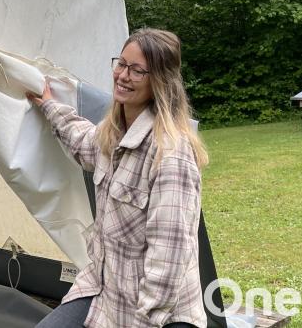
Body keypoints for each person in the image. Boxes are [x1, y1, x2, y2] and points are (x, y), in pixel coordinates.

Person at [27, 28, 208, 328]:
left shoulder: (171, 154)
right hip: (107, 292)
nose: (123, 76)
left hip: (158, 315)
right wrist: (48, 104)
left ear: (159, 81)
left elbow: (168, 263)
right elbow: (82, 141)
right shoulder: (113, 133)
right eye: (121, 64)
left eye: (137, 71)